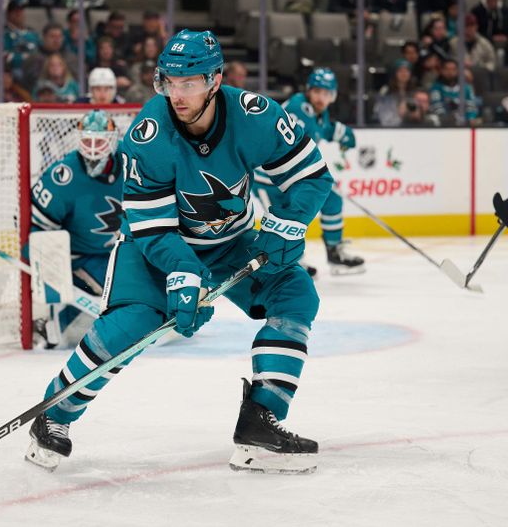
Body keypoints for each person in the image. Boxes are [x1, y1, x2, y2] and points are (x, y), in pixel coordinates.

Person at [25, 29, 330, 475]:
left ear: (215, 79)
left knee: (297, 298)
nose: (177, 94)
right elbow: (152, 228)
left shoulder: (256, 116)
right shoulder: (149, 134)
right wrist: (185, 272)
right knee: (131, 326)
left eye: (188, 83)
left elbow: (311, 175)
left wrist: (288, 222)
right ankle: (54, 414)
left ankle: (260, 425)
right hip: (154, 245)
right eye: (169, 82)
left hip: (232, 241)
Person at [255, 68, 364, 275]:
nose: (321, 98)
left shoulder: (318, 112)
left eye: (326, 94)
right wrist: (337, 133)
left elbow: (322, 128)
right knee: (281, 219)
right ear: (309, 91)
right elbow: (309, 137)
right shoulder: (299, 109)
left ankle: (334, 253)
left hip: (291, 174)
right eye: (317, 92)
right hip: (268, 176)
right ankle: (285, 263)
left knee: (331, 198)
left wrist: (339, 131)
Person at [29, 109, 123, 349]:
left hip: (119, 251)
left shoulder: (131, 161)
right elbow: (35, 225)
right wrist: (46, 262)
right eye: (87, 140)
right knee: (121, 289)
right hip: (80, 256)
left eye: (100, 140)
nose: (93, 148)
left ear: (112, 140)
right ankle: (52, 325)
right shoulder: (64, 176)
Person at [429, 59, 479, 125]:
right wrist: (446, 119)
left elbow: (471, 104)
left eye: (453, 69)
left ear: (457, 71)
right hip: (444, 123)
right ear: (441, 71)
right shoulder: (436, 88)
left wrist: (470, 117)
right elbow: (436, 105)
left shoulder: (466, 88)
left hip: (464, 122)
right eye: (447, 69)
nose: (450, 72)